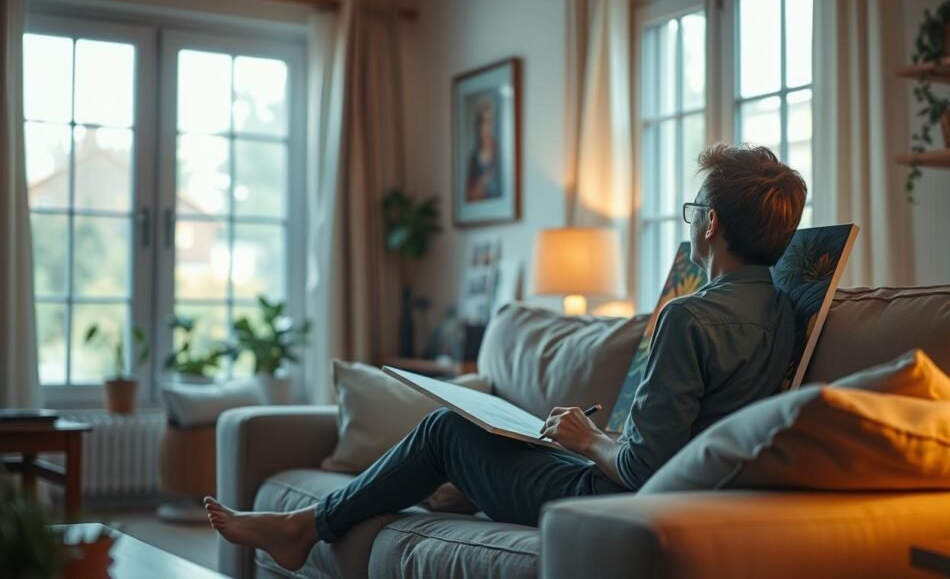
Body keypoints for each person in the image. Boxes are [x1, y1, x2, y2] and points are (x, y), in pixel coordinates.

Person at [204, 143, 807, 572]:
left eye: (695, 210)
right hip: (700, 494)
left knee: (446, 430)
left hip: (615, 496)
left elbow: (645, 470)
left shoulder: (687, 316)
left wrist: (585, 437)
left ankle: (303, 529)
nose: (694, 220)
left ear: (711, 225)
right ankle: (313, 523)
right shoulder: (787, 312)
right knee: (486, 432)